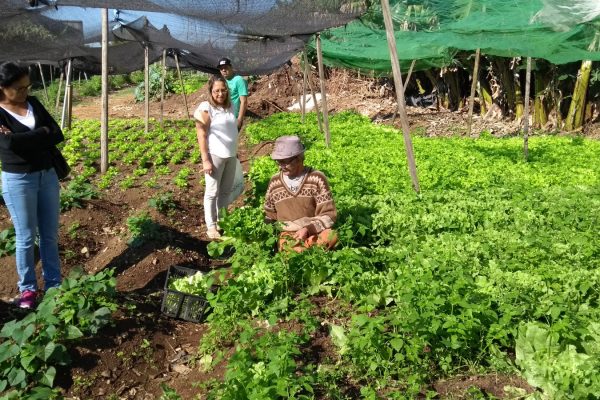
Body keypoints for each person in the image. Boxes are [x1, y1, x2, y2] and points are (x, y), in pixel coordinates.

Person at [0, 61, 63, 309]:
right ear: (3, 88)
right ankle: (27, 290)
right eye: (19, 88)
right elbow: (6, 147)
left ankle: (54, 286)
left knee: (49, 235)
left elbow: (57, 133)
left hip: (47, 175)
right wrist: (41, 134)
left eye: (28, 86)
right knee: (26, 237)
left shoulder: (33, 103)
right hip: (18, 180)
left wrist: (19, 139)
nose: (26, 92)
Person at [264, 135, 338, 252]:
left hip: (314, 230)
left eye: (285, 162)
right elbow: (269, 214)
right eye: (278, 162)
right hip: (289, 233)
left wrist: (307, 229)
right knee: (292, 248)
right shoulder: (275, 182)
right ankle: (307, 252)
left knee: (331, 235)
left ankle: (306, 251)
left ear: (298, 158)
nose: (281, 166)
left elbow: (329, 214)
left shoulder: (316, 178)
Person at [194, 75, 239, 240]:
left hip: (230, 155)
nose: (220, 94)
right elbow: (201, 134)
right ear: (210, 92)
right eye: (216, 91)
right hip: (215, 155)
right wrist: (205, 160)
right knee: (212, 192)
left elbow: (231, 131)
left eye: (223, 90)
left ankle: (222, 222)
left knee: (225, 192)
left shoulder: (230, 106)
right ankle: (211, 227)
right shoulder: (205, 108)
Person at [217, 57, 248, 130]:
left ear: (231, 67)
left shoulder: (238, 80)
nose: (223, 70)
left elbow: (244, 101)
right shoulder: (222, 81)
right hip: (223, 116)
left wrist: (239, 120)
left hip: (234, 117)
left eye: (226, 67)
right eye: (221, 69)